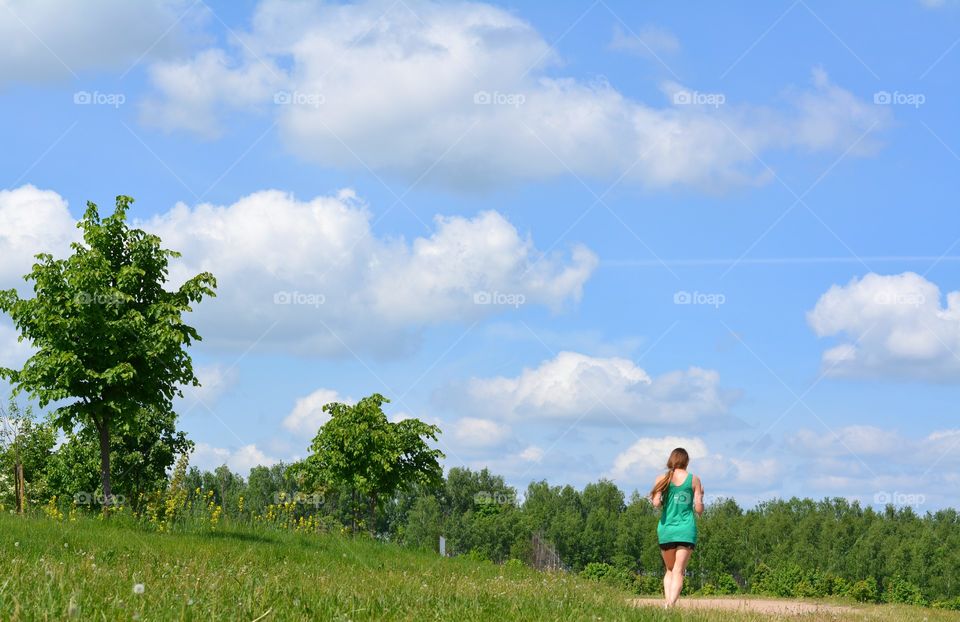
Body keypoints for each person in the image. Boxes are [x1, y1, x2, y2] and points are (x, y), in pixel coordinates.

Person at [649, 447, 704, 608]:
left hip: (667, 529)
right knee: (679, 571)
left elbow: (656, 504)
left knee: (670, 570)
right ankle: (671, 604)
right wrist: (701, 498)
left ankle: (668, 603)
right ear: (686, 462)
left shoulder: (662, 478)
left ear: (671, 460)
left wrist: (661, 497)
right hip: (686, 530)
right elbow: (699, 509)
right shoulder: (694, 480)